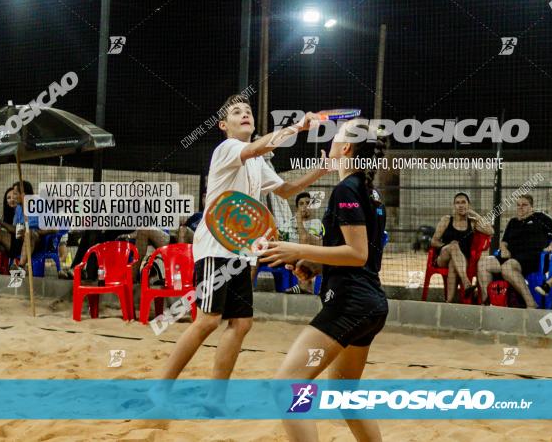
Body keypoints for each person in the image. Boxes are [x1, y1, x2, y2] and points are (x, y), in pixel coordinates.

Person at [157, 95, 331, 394]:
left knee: (241, 323)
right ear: (224, 125)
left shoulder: (257, 162)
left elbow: (287, 190)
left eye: (248, 111)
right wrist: (297, 128)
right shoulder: (228, 149)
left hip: (240, 251)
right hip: (215, 247)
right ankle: (160, 388)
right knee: (208, 320)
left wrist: (322, 169)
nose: (244, 114)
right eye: (236, 112)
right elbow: (257, 147)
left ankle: (216, 395)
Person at [261, 120, 388, 442]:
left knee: (286, 389)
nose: (331, 139)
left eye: (339, 136)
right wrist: (315, 264)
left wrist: (294, 248)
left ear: (346, 149)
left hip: (350, 303)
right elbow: (363, 258)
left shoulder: (347, 189)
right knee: (345, 396)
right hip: (370, 304)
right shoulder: (368, 190)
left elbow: (357, 254)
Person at [479, 194, 552, 308]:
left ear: (531, 207)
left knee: (507, 267)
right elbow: (504, 241)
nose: (520, 207)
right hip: (510, 256)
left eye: (524, 205)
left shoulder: (539, 217)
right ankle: (488, 301)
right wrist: (504, 249)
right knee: (483, 263)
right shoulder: (513, 222)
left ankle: (531, 303)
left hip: (531, 258)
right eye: (518, 205)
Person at [430, 192, 493, 302]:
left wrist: (475, 214)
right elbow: (434, 241)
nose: (460, 205)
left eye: (463, 202)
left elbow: (490, 231)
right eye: (457, 203)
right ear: (454, 206)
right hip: (443, 256)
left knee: (453, 265)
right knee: (454, 246)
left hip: (462, 260)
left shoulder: (472, 223)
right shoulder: (446, 220)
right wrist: (447, 247)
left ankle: (448, 302)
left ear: (469, 205)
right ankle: (466, 282)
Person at [282, 191, 325, 294]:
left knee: (305, 242)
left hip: (309, 255)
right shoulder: (288, 223)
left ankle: (304, 286)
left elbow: (305, 239)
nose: (305, 206)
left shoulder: (316, 222)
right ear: (297, 208)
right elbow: (282, 239)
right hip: (290, 255)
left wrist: (299, 221)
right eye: (301, 204)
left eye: (308, 204)